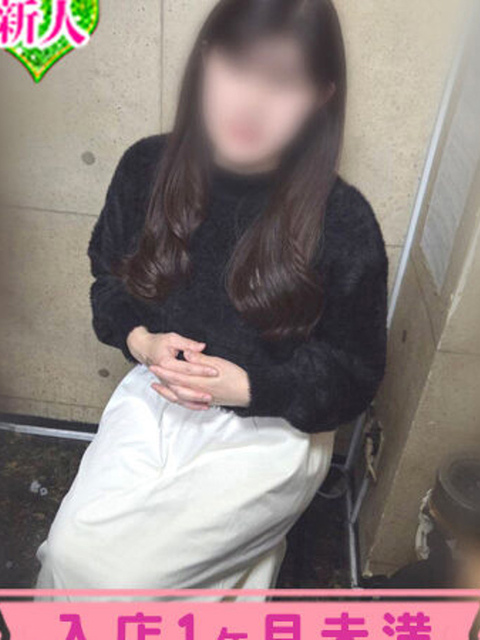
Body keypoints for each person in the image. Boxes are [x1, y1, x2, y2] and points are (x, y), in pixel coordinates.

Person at [36, 0, 388, 594]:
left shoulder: (344, 222)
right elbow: (109, 280)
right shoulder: (147, 168)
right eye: (236, 67)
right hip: (157, 395)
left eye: (284, 82)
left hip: (273, 427)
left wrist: (251, 387)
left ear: (321, 96)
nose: (251, 102)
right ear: (205, 61)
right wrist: (141, 342)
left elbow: (354, 374)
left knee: (114, 578)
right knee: (71, 555)